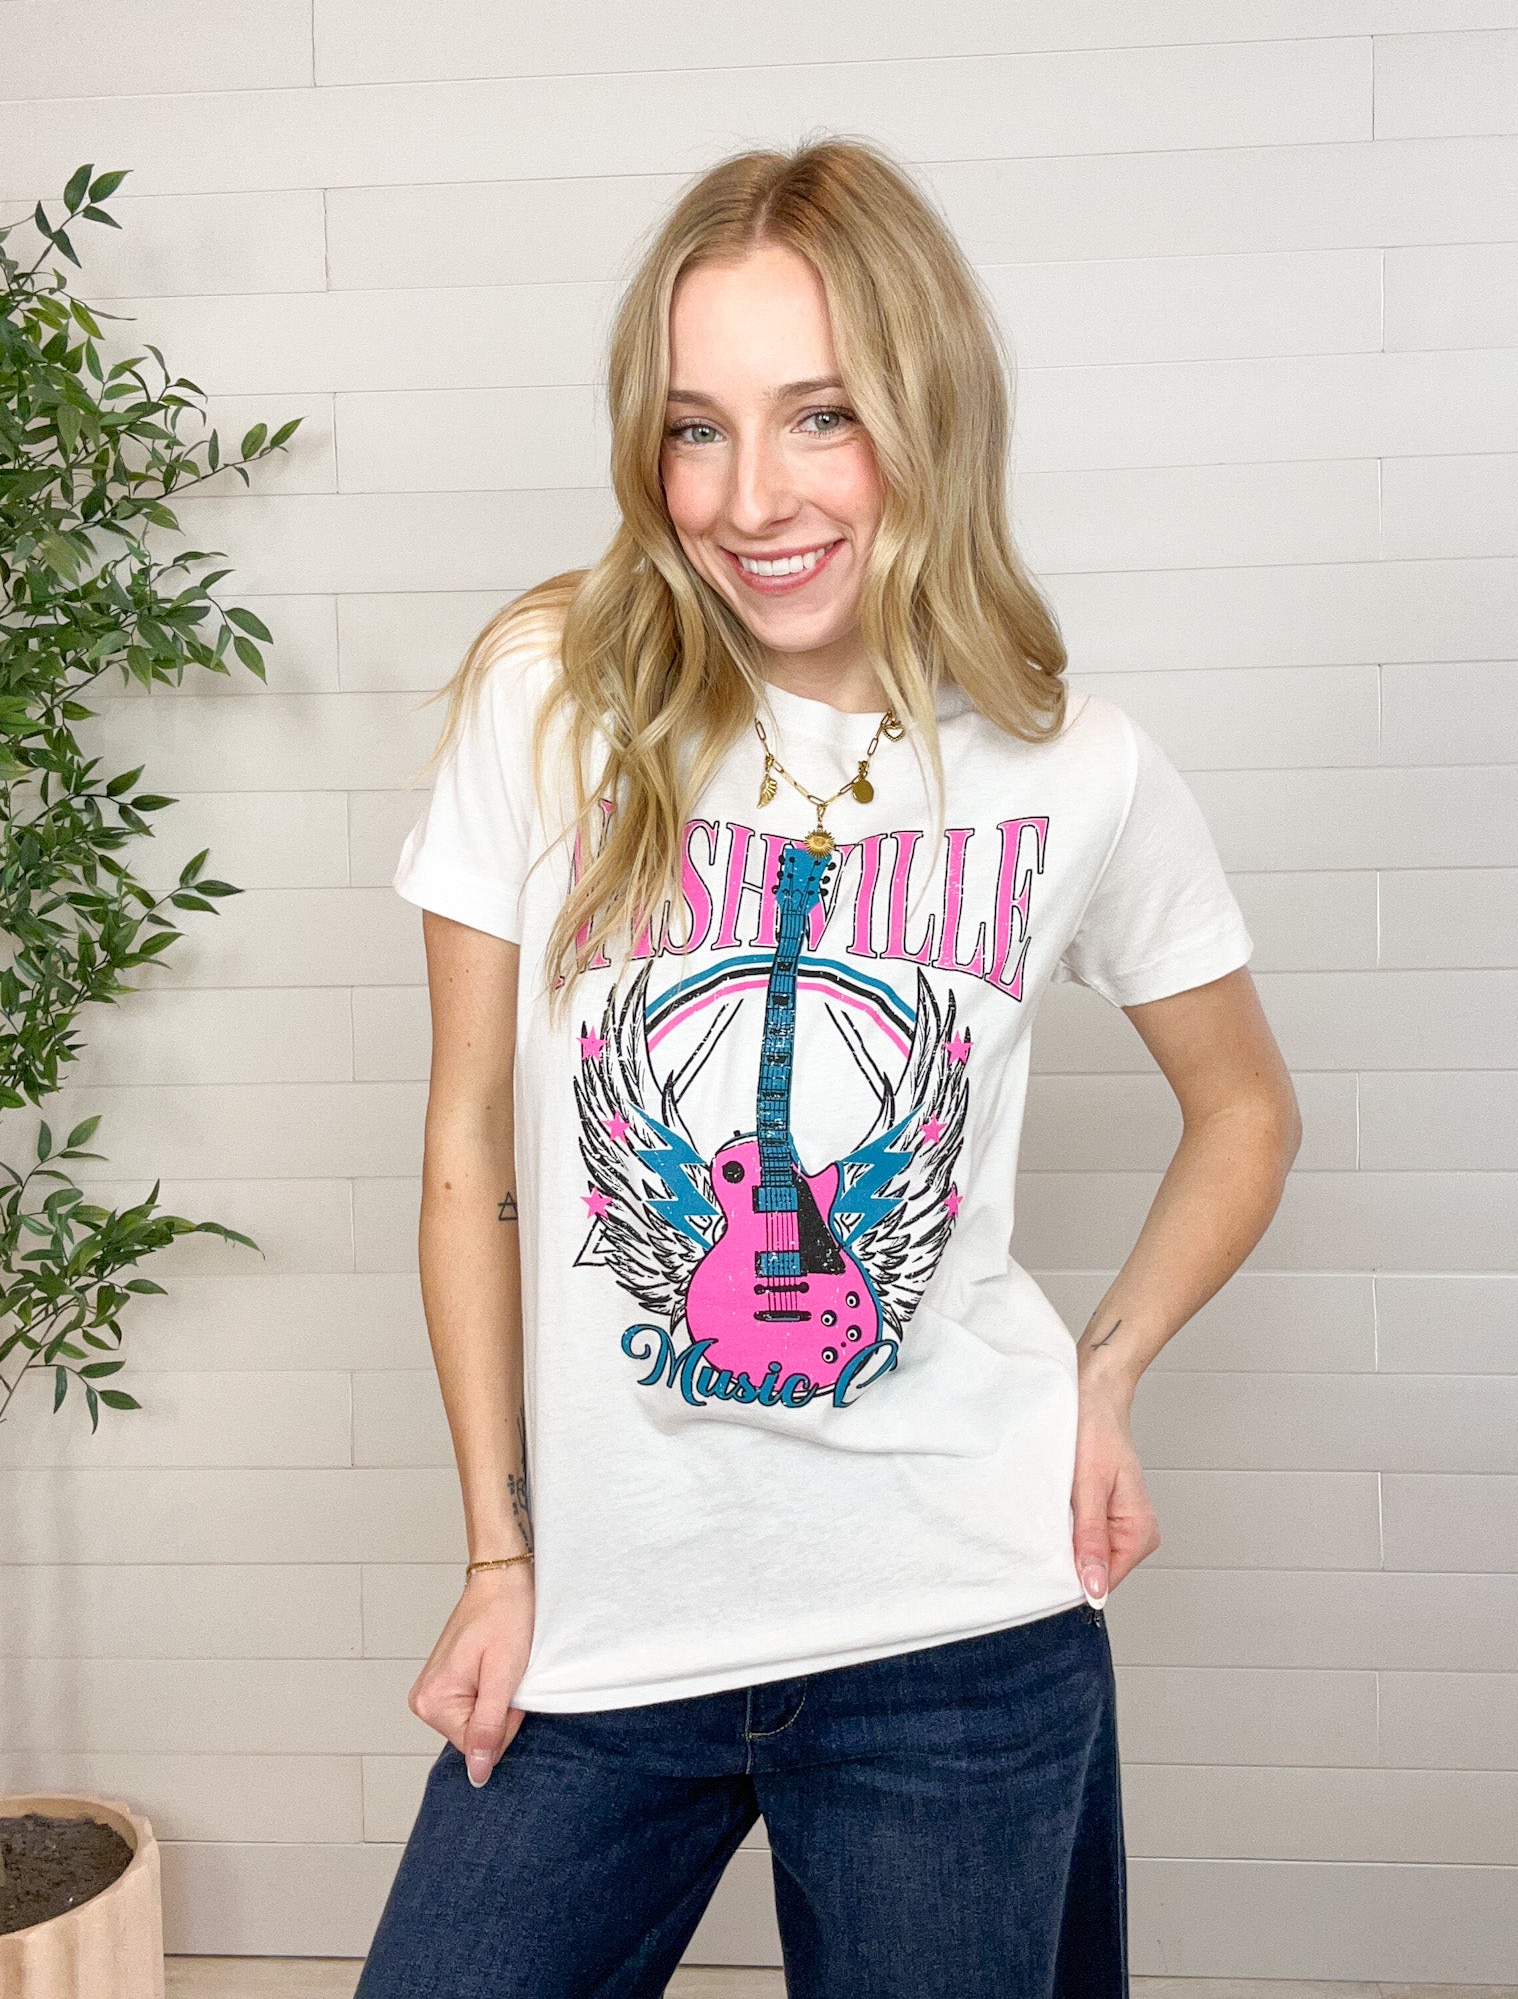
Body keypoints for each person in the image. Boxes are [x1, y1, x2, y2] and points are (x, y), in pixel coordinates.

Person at [354, 135, 1302, 1999]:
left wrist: (1103, 1374)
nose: (752, 498)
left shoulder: (1074, 768)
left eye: (821, 417)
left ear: (926, 418)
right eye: (695, 430)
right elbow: (470, 1146)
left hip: (959, 1628)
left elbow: (1246, 1108)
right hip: (610, 1622)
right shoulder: (552, 696)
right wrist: (499, 1557)